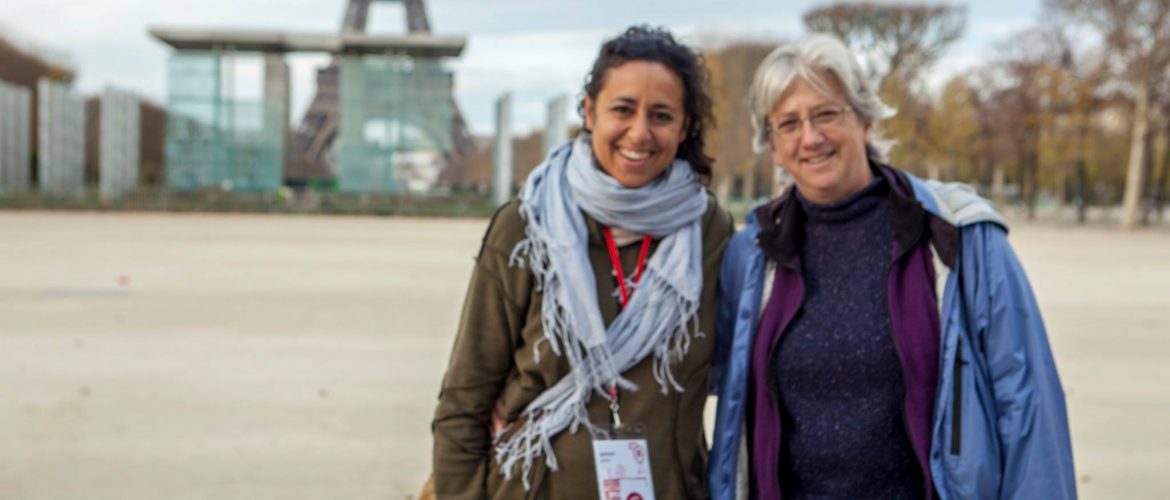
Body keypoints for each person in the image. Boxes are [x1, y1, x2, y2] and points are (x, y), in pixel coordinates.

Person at [708, 34, 1076, 499]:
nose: (811, 136)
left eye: (826, 113)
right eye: (789, 123)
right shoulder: (751, 254)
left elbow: (1028, 407)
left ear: (864, 121)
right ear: (775, 146)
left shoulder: (959, 236)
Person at [432, 25, 734, 499]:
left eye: (661, 115)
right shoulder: (524, 226)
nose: (639, 132)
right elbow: (464, 400)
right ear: (590, 112)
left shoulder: (709, 230)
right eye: (622, 109)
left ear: (686, 126)